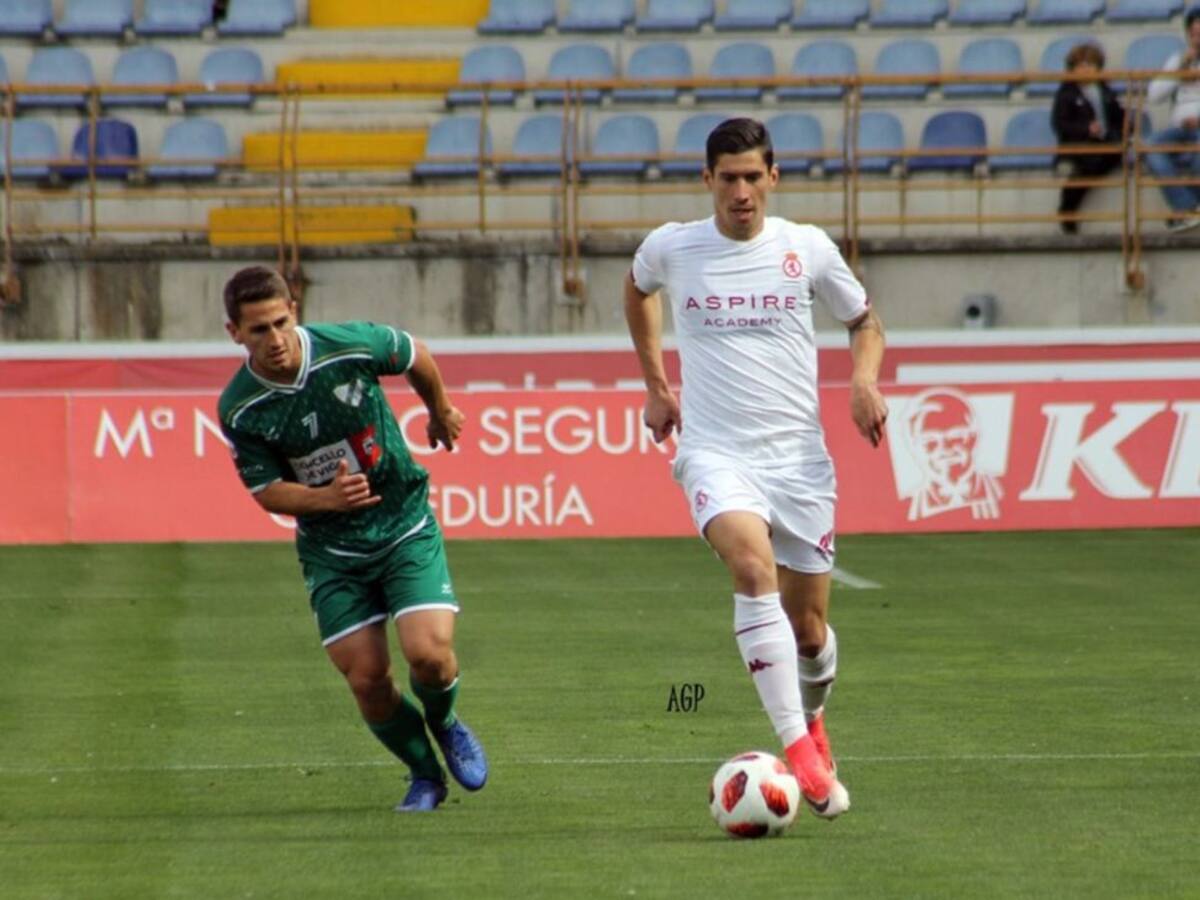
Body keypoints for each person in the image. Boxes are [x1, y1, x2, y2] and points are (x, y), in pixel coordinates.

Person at [623, 118, 887, 820]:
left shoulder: (807, 249)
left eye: (752, 177)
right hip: (716, 451)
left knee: (808, 634)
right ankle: (798, 748)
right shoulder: (674, 247)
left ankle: (815, 717)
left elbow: (865, 322)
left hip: (799, 462)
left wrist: (864, 380)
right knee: (749, 569)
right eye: (728, 178)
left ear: (773, 178)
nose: (741, 191)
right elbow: (637, 287)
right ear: (707, 180)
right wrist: (656, 385)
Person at [217, 265, 488, 813]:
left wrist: (439, 411)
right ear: (234, 334)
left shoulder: (348, 345)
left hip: (402, 522)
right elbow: (267, 490)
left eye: (279, 322)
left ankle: (447, 722)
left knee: (429, 656)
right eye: (257, 331)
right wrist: (328, 501)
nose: (274, 340)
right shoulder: (240, 408)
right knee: (367, 678)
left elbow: (415, 355)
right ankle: (424, 776)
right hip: (332, 550)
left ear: (294, 309)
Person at [1050, 42, 1126, 235]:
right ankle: (1068, 208)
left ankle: (1068, 205)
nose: (1085, 69)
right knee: (1089, 161)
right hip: (1079, 143)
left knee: (1113, 154)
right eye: (1081, 65)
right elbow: (1060, 124)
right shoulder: (1066, 93)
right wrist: (1086, 128)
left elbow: (1119, 117)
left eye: (1090, 64)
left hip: (1106, 142)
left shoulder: (1105, 90)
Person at [1145, 9, 1200, 231]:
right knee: (1149, 146)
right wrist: (1179, 71)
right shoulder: (1177, 60)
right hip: (1179, 128)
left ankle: (1186, 210)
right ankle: (1187, 205)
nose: (1198, 39)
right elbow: (1155, 95)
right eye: (1194, 34)